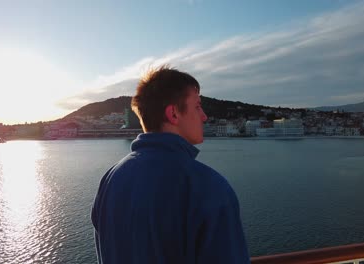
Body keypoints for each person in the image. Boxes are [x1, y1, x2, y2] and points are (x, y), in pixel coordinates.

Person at [91, 66, 249, 264]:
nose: (204, 116)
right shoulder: (208, 188)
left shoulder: (110, 180)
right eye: (198, 106)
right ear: (173, 114)